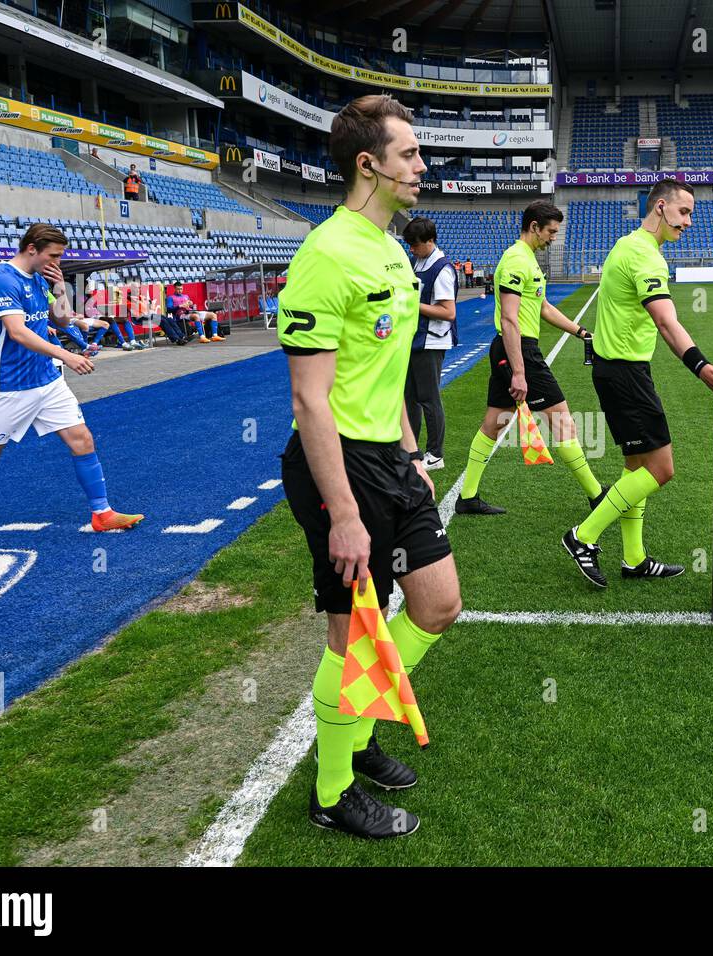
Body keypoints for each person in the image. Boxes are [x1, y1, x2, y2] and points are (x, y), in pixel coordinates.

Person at [277, 94, 461, 838]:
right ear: (369, 164)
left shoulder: (390, 246)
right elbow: (310, 400)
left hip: (391, 456)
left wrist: (413, 453)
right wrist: (345, 513)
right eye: (410, 154)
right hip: (338, 471)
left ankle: (356, 730)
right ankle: (332, 790)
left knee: (437, 605)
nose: (422, 165)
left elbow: (386, 374)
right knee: (350, 638)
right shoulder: (325, 255)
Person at [561, 179, 713, 587]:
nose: (688, 223)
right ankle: (583, 536)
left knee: (635, 467)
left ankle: (635, 559)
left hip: (616, 370)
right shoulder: (645, 257)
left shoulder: (626, 244)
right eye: (684, 213)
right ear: (661, 207)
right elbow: (667, 322)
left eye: (691, 216)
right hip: (625, 374)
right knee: (661, 469)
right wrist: (703, 368)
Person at [0, 224, 144, 545]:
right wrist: (66, 354)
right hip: (10, 384)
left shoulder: (40, 278)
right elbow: (18, 332)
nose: (57, 260)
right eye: (54, 255)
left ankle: (102, 513)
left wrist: (61, 288)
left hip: (46, 380)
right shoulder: (1, 279)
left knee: (82, 440)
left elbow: (62, 320)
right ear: (32, 248)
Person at [455, 200, 607, 516]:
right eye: (550, 231)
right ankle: (596, 495)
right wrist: (520, 371)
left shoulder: (529, 261)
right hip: (518, 350)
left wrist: (580, 331)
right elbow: (510, 320)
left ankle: (467, 497)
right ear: (534, 226)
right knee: (563, 421)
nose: (553, 237)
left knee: (494, 423)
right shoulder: (514, 260)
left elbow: (543, 307)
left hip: (513, 349)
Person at [403, 216, 456, 470]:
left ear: (430, 241)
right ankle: (411, 450)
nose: (411, 249)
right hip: (416, 339)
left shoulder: (442, 268)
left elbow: (448, 312)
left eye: (415, 244)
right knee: (410, 397)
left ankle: (435, 454)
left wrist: (413, 304)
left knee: (429, 398)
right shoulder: (419, 260)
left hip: (431, 342)